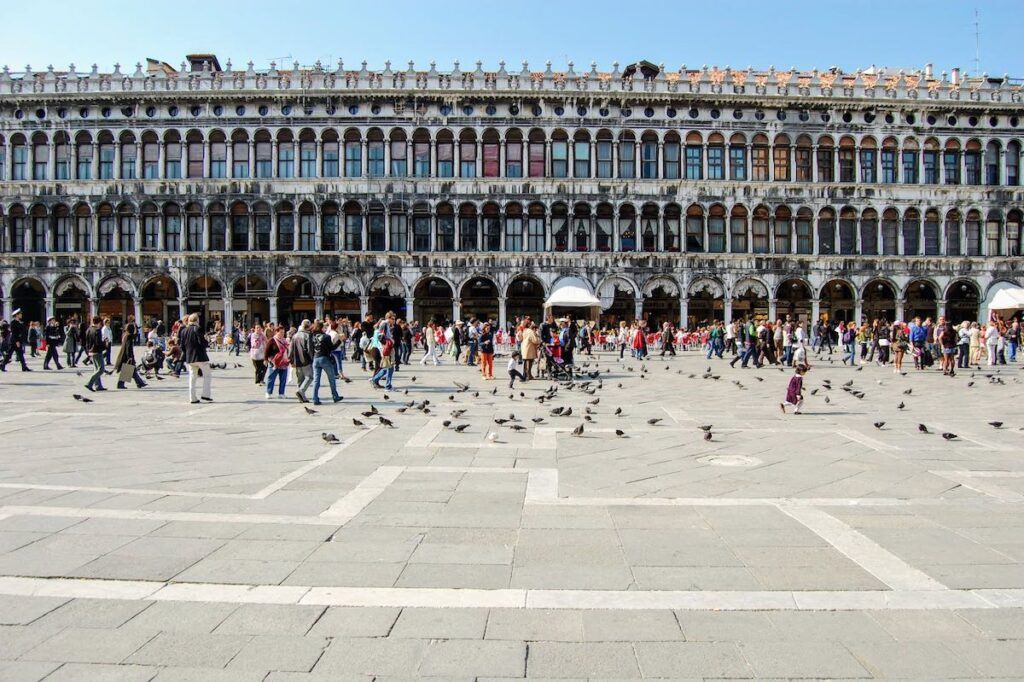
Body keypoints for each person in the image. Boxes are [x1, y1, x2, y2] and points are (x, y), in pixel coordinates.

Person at [179, 313, 212, 404]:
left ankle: (192, 398)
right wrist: (206, 343)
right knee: (207, 375)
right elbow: (201, 341)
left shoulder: (184, 331)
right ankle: (206, 394)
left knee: (192, 378)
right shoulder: (197, 328)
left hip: (190, 358)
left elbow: (182, 346)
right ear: (197, 320)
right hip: (200, 356)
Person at [310, 321, 343, 404]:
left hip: (315, 359)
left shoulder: (312, 337)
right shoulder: (326, 337)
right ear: (322, 328)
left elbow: (310, 349)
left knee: (316, 380)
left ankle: (315, 398)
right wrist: (339, 341)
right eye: (325, 327)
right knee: (331, 378)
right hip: (324, 359)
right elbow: (332, 348)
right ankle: (335, 396)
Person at [114, 323, 148, 389]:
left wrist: (136, 328)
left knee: (132, 370)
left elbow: (134, 335)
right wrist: (130, 357)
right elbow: (128, 347)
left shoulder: (125, 335)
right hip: (127, 356)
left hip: (124, 355)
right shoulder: (128, 336)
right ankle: (121, 384)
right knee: (129, 369)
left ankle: (140, 383)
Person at [289, 319, 314, 403]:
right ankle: (301, 391)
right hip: (305, 359)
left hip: (297, 360)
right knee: (309, 377)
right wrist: (311, 358)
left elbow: (291, 349)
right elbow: (309, 349)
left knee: (300, 379)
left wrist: (291, 360)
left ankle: (302, 397)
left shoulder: (295, 335)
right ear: (309, 326)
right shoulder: (308, 335)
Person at [264, 325, 291, 399]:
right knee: (271, 378)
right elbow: (267, 350)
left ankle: (281, 393)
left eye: (283, 332)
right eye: (281, 332)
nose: (282, 334)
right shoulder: (272, 340)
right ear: (276, 332)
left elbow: (288, 350)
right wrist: (266, 359)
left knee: (283, 379)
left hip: (284, 362)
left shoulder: (285, 341)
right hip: (274, 362)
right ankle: (268, 392)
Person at [83, 316, 107, 392]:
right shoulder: (97, 330)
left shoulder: (88, 329)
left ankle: (98, 385)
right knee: (101, 369)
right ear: (99, 323)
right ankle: (89, 383)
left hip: (90, 351)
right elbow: (98, 342)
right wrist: (105, 344)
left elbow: (86, 342)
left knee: (96, 369)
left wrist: (88, 352)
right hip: (97, 351)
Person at [369, 322, 396, 390]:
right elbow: (381, 345)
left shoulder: (379, 333)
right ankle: (387, 386)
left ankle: (374, 379)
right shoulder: (382, 334)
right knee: (389, 368)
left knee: (385, 368)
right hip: (386, 353)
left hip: (385, 352)